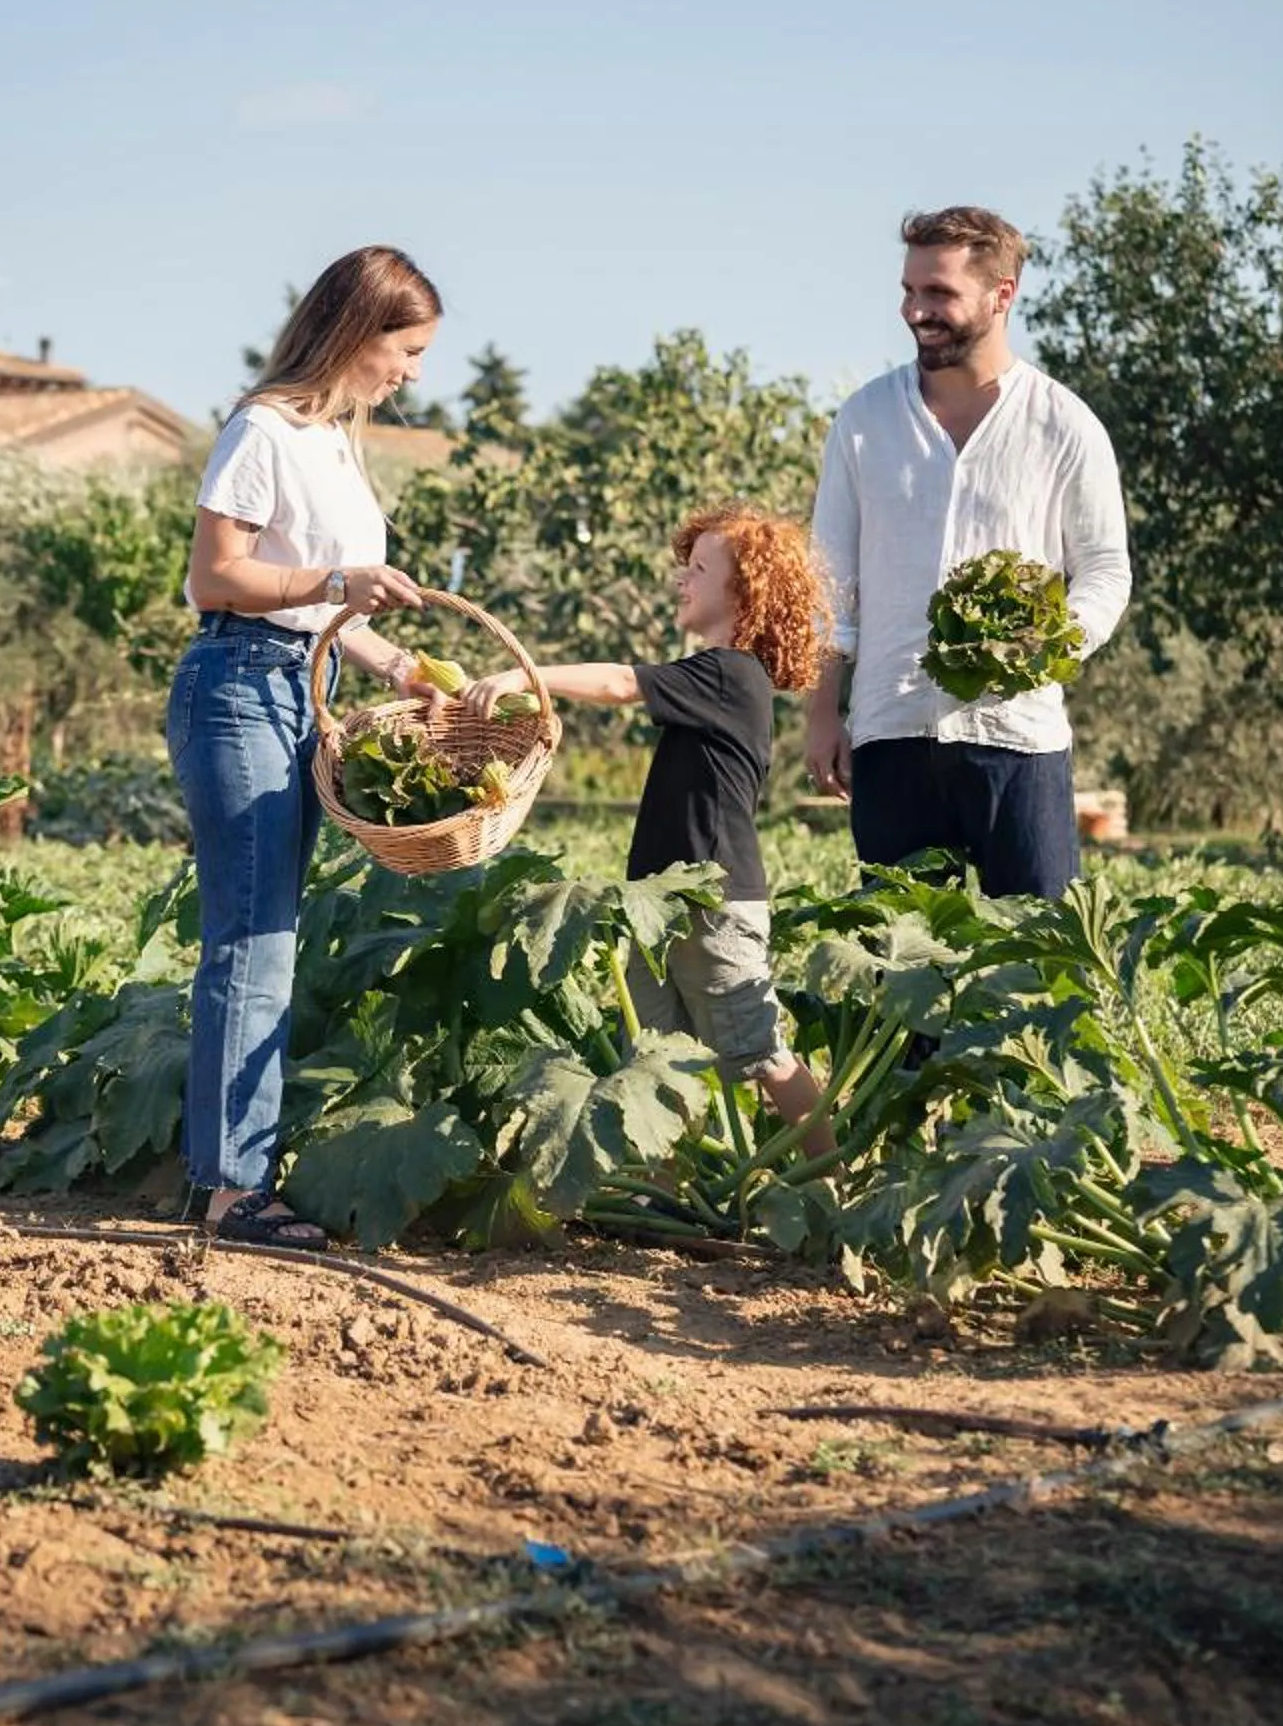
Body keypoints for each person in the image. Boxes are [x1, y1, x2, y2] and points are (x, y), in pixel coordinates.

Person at [171, 245, 447, 1250]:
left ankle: (227, 1175)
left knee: (266, 932)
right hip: (238, 686)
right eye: (405, 349)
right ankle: (234, 1193)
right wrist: (336, 582)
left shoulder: (331, 441)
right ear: (355, 331)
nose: (411, 372)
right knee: (254, 939)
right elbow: (218, 579)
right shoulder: (264, 430)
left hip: (302, 683)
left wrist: (398, 666)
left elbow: (330, 602)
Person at [463, 503, 836, 1155]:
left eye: (698, 568)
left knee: (758, 1050)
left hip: (712, 902)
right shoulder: (714, 677)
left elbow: (615, 681)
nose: (680, 580)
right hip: (661, 902)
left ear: (744, 591)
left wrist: (525, 675)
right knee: (657, 1061)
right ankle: (663, 1191)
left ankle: (833, 1181)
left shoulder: (729, 673)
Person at [802, 207, 1131, 898]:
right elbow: (829, 581)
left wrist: (1053, 642)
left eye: (939, 293)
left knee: (1041, 965)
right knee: (903, 968)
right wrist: (823, 713)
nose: (916, 310)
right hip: (890, 732)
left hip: (1020, 735)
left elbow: (1104, 568)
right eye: (909, 291)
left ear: (1001, 295)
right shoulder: (865, 421)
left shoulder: (1064, 425)